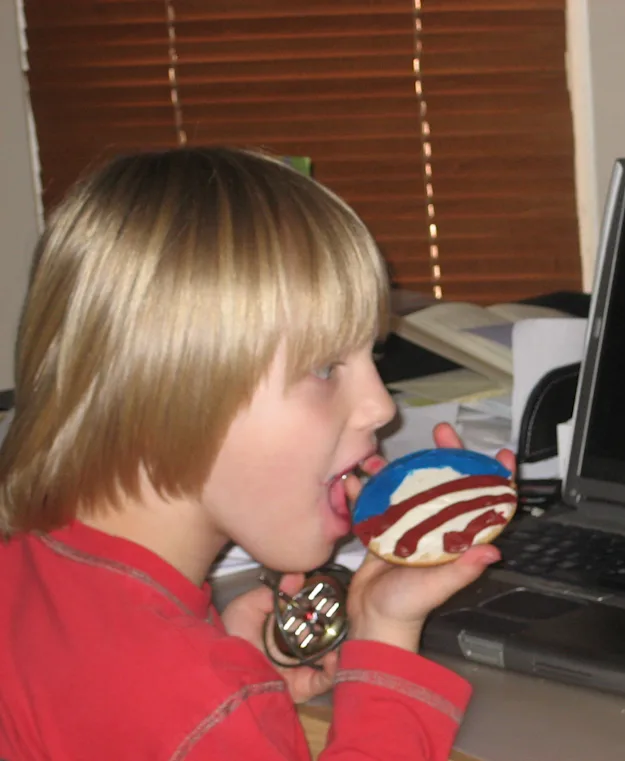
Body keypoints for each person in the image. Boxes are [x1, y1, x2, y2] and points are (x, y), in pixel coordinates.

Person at [0, 147, 513, 760]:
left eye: (370, 359)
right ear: (169, 392)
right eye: (325, 367)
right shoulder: (201, 713)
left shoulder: (29, 574)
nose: (381, 406)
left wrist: (232, 672)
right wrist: (385, 643)